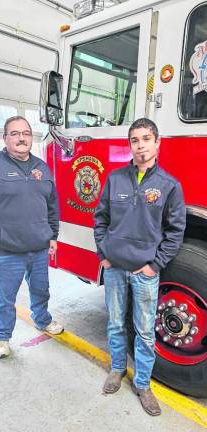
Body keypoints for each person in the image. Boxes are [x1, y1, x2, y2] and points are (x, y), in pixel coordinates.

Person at [94, 118, 186, 416]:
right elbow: (100, 219)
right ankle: (117, 369)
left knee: (145, 331)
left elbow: (175, 232)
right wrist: (104, 255)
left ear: (157, 143)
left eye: (146, 139)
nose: (141, 145)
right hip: (114, 268)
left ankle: (143, 383)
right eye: (135, 140)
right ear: (130, 145)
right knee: (115, 323)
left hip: (144, 272)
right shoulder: (115, 178)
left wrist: (154, 265)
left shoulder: (169, 185)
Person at [0, 115, 64, 359]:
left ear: (31, 137)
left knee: (41, 290)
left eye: (26, 133)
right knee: (5, 298)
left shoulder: (42, 167)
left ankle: (42, 320)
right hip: (6, 249)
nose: (22, 138)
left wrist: (52, 235)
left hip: (39, 247)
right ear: (5, 138)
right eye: (15, 133)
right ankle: (2, 337)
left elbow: (52, 204)